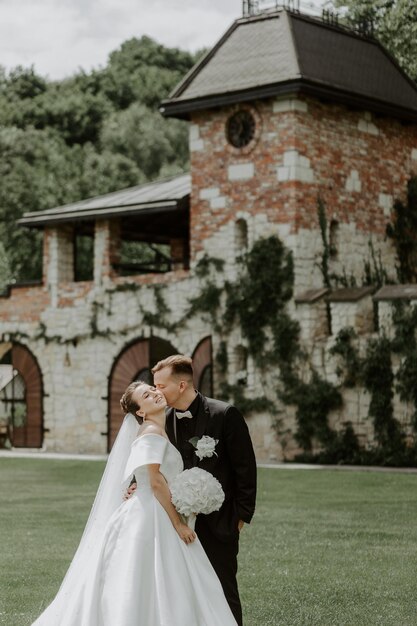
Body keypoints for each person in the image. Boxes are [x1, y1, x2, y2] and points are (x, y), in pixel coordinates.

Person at [31, 381, 238, 626]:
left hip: (151, 507)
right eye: (147, 396)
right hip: (149, 515)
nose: (155, 394)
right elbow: (155, 482)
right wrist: (178, 524)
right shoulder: (151, 431)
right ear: (140, 411)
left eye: (153, 390)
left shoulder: (157, 430)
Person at [152, 354, 257, 626]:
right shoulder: (161, 419)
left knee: (223, 588)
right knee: (183, 591)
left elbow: (245, 467)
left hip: (221, 521)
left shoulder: (224, 415)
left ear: (182, 385)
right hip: (177, 522)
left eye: (161, 386)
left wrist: (241, 515)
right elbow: (154, 461)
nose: (156, 391)